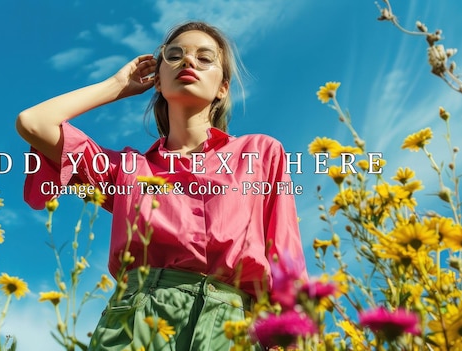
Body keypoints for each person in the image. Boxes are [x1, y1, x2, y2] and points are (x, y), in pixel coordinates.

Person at [16, 21, 307, 351]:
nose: (188, 62)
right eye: (174, 55)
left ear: (222, 87)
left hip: (231, 328)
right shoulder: (126, 170)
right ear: (157, 80)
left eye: (204, 57)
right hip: (134, 325)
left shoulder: (261, 152)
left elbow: (286, 258)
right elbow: (34, 123)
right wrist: (117, 85)